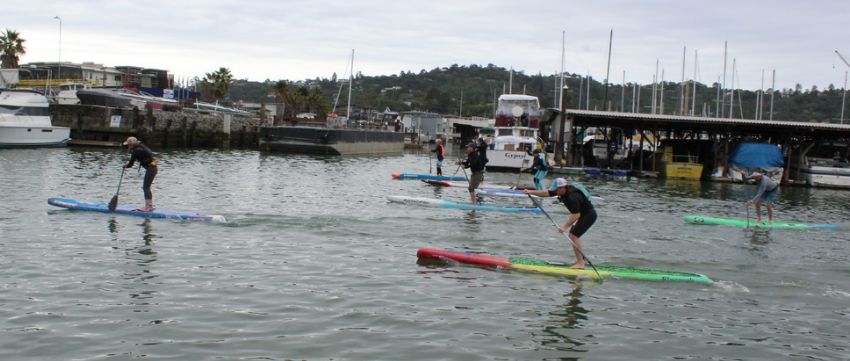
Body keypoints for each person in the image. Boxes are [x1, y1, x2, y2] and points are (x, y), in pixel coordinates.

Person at [525, 178, 597, 269]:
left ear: (563, 188)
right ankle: (582, 260)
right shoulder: (562, 190)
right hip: (581, 215)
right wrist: (531, 192)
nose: (555, 191)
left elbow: (576, 215)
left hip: (588, 216)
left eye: (556, 189)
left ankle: (580, 263)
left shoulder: (572, 197)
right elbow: (547, 193)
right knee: (572, 236)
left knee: (574, 236)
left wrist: (564, 227)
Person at [123, 136, 158, 212]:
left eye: (128, 145)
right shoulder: (141, 146)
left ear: (132, 145)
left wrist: (124, 166)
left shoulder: (136, 150)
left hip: (151, 168)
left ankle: (148, 207)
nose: (127, 146)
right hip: (152, 168)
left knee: (146, 187)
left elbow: (130, 164)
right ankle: (150, 205)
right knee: (146, 187)